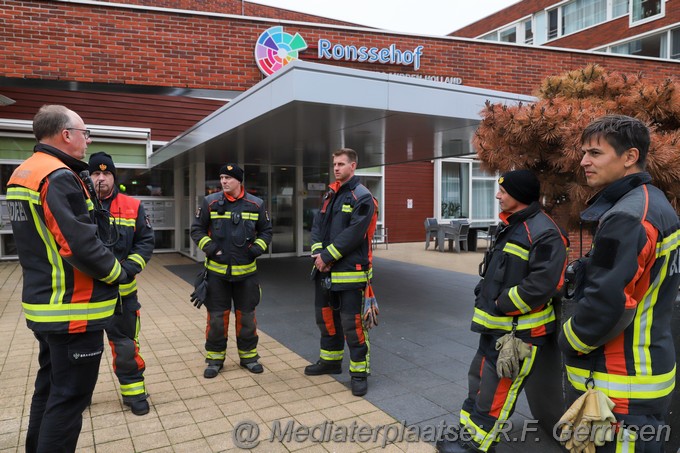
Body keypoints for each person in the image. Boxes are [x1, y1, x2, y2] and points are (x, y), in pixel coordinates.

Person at [6, 105, 128, 452]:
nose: (87, 140)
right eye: (85, 132)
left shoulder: (24, 173)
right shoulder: (58, 176)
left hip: (46, 308)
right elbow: (79, 243)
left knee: (49, 391)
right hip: (73, 310)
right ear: (66, 134)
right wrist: (118, 273)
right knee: (70, 401)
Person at [558, 115, 679, 452]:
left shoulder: (627, 216)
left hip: (621, 385)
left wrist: (568, 339)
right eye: (584, 152)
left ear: (629, 157)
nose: (584, 161)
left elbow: (608, 305)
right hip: (645, 374)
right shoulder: (652, 203)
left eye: (595, 153)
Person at [436, 169, 568, 453]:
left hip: (517, 334)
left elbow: (542, 285)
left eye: (503, 191)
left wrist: (500, 304)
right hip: (497, 329)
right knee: (479, 381)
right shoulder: (515, 224)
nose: (497, 195)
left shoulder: (545, 233)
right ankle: (470, 435)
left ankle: (478, 445)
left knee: (497, 392)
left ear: (519, 196)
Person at [305, 148, 376, 397]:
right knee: (325, 319)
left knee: (352, 325)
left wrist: (326, 256)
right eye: (334, 163)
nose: (336, 168)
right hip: (325, 272)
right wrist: (317, 253)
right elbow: (317, 225)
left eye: (341, 164)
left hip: (350, 273)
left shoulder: (363, 197)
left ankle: (359, 374)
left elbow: (354, 234)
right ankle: (331, 361)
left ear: (353, 166)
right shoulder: (331, 193)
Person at [190, 163, 272, 377]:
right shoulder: (210, 202)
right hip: (217, 276)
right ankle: (215, 360)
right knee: (216, 319)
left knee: (247, 319)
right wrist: (211, 248)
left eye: (228, 177)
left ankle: (249, 357)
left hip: (247, 276)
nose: (224, 181)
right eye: (222, 177)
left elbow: (266, 231)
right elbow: (196, 230)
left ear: (239, 181)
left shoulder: (256, 204)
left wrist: (256, 249)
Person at [88, 152, 155, 416]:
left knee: (127, 347)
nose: (101, 178)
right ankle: (79, 397)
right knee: (83, 353)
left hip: (122, 297)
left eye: (106, 173)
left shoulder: (132, 206)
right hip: (86, 296)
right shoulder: (78, 206)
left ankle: (134, 393)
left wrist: (128, 270)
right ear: (89, 177)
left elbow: (145, 242)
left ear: (114, 176)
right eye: (95, 173)